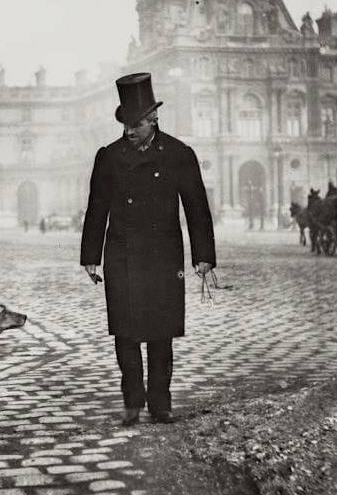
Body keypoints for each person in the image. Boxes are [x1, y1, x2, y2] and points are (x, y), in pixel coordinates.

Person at [80, 72, 216, 426]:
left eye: (136, 124)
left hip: (163, 253)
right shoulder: (108, 157)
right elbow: (97, 207)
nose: (129, 131)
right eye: (125, 124)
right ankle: (131, 401)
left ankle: (160, 402)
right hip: (121, 253)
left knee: (160, 331)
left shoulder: (178, 154)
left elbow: (197, 207)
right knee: (124, 330)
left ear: (154, 119)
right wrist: (91, 257)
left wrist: (203, 255)